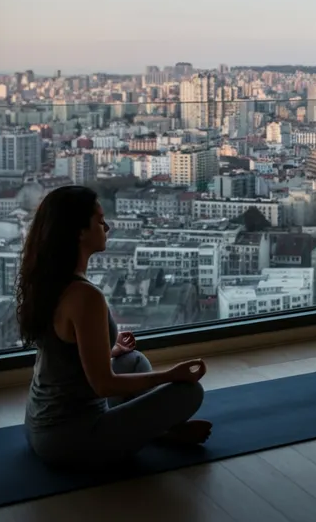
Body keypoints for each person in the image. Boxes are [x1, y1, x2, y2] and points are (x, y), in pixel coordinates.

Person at [17, 185, 212, 469]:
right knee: (190, 392)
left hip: (39, 423)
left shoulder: (48, 281)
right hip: (71, 439)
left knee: (131, 360)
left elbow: (63, 360)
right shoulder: (85, 296)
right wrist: (169, 375)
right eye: (99, 220)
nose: (106, 227)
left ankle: (154, 430)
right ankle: (161, 432)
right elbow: (103, 384)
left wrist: (109, 350)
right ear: (79, 232)